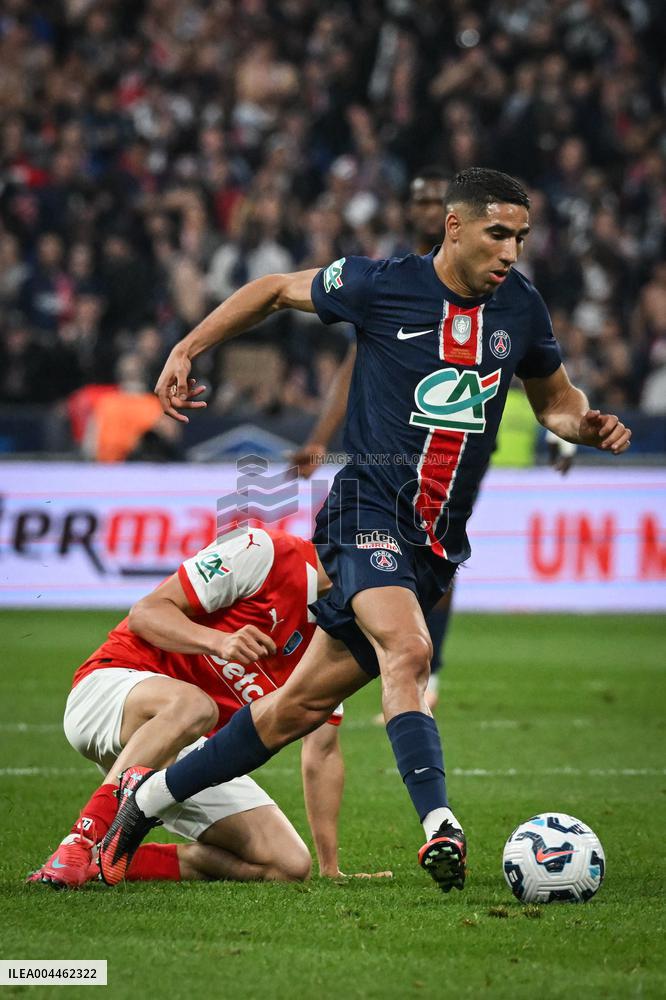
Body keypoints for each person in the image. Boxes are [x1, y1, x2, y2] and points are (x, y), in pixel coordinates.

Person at [101, 167, 631, 894]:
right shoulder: (383, 284)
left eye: (521, 237)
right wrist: (188, 347)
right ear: (455, 227)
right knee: (407, 651)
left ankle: (147, 801)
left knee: (296, 708)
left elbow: (555, 401)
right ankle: (439, 825)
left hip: (436, 546)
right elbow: (273, 288)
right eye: (497, 233)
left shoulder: (523, 308)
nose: (511, 251)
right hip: (365, 515)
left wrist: (585, 424)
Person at [291, 167, 576, 715]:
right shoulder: (391, 278)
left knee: (435, 554)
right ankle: (387, 655)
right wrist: (319, 438)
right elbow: (352, 362)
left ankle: (423, 663)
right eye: (417, 199)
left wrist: (566, 438)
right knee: (357, 563)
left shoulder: (510, 293)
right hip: (384, 461)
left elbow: (549, 386)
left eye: (519, 239)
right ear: (439, 219)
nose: (423, 209)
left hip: (459, 456)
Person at [29, 526, 388, 888]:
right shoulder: (266, 551)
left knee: (287, 865)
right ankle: (79, 841)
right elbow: (145, 613)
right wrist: (218, 641)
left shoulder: (334, 641)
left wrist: (329, 866)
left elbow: (322, 751)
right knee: (195, 706)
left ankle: (101, 858)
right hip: (112, 690)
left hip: (182, 745)